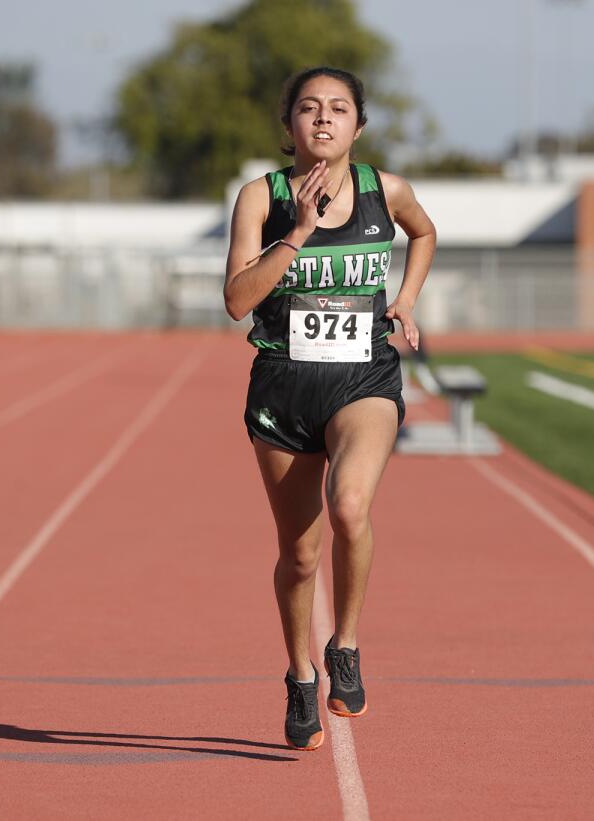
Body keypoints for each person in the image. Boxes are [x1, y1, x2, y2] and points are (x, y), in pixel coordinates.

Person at [223, 66, 436, 751]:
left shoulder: (386, 190)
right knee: (301, 552)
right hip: (284, 384)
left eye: (338, 109)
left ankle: (345, 642)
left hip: (362, 378)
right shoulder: (263, 197)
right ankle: (299, 672)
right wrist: (299, 233)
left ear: (358, 126)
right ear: (289, 128)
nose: (322, 119)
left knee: (350, 506)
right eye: (309, 109)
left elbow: (424, 233)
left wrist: (404, 300)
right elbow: (236, 300)